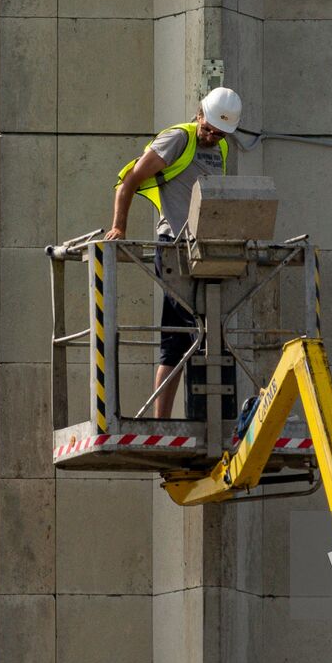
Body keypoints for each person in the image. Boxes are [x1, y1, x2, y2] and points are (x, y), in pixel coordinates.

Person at [106, 86, 242, 417]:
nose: (212, 138)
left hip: (205, 248)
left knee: (208, 334)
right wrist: (119, 227)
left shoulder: (219, 147)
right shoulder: (177, 138)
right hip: (174, 246)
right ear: (199, 116)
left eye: (220, 133)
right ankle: (161, 420)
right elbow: (129, 182)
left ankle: (212, 416)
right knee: (178, 336)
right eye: (209, 129)